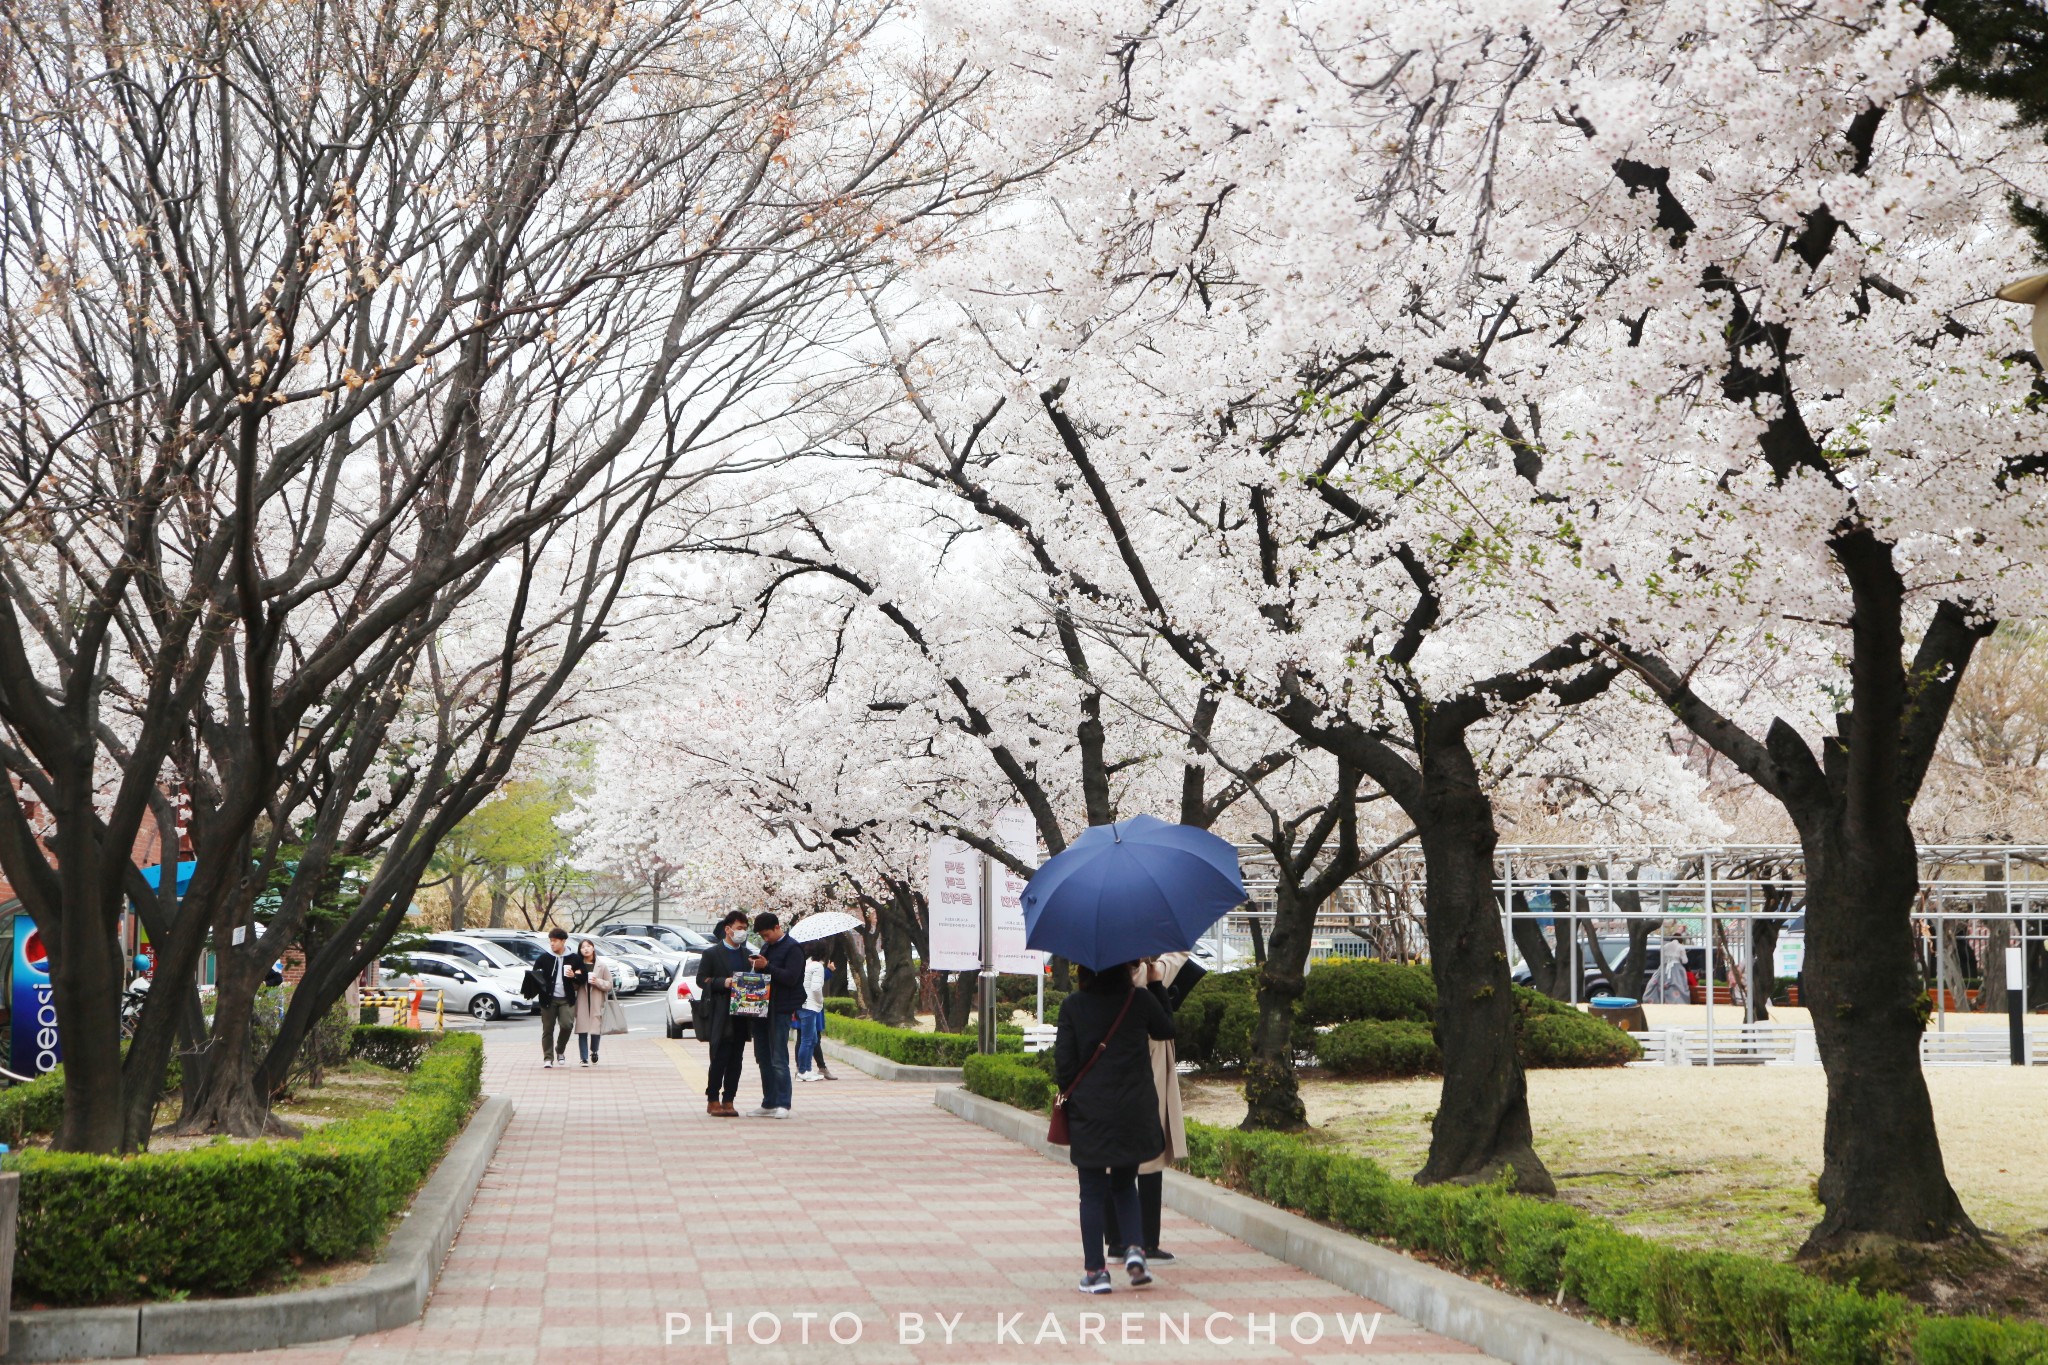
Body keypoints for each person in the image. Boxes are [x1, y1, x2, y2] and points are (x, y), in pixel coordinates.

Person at [1054, 958, 1176, 1294]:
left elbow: (1063, 1066)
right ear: (1126, 968)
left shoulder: (1073, 1006)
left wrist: (1075, 1095)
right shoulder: (1138, 1000)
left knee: (1092, 1192)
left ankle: (1096, 1272)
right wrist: (1153, 982)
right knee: (1125, 1185)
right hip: (1133, 1110)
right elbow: (1166, 1029)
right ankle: (1135, 1250)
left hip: (1091, 1113)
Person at [1102, 954, 1188, 1263]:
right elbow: (1166, 1025)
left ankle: (1114, 1240)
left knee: (1114, 1158)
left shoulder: (1099, 978)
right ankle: (1147, 1241)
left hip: (1111, 1080)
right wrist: (1156, 971)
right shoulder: (1144, 978)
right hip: (1146, 1068)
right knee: (1151, 1153)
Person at [747, 911, 804, 1117]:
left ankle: (783, 1103)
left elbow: (791, 977)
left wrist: (767, 966)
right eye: (762, 936)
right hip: (762, 1008)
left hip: (780, 1009)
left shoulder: (793, 948)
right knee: (762, 1057)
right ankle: (768, 1102)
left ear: (778, 927)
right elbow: (765, 974)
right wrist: (756, 965)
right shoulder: (767, 947)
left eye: (767, 934)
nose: (765, 938)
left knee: (778, 1057)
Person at [695, 911, 753, 1116]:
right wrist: (723, 982)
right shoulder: (712, 953)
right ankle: (712, 1099)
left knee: (736, 1060)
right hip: (720, 1013)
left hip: (741, 1013)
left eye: (745, 928)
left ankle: (729, 1099)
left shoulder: (748, 955)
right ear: (728, 929)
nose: (742, 932)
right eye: (739, 928)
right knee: (719, 1057)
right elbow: (701, 980)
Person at [568, 937, 615, 1067]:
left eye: (588, 946)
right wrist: (575, 978)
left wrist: (597, 982)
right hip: (582, 1001)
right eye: (583, 947)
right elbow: (574, 987)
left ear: (593, 948)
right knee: (582, 1030)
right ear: (580, 951)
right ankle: (584, 1058)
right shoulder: (578, 966)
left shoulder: (601, 966)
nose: (586, 949)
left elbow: (609, 984)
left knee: (595, 1030)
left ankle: (594, 1051)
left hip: (597, 1001)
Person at [533, 927, 575, 1068]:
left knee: (567, 1025)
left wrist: (574, 976)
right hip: (548, 999)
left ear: (563, 941)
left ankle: (560, 1049)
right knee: (548, 1029)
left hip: (566, 999)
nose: (552, 944)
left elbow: (582, 977)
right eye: (550, 941)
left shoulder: (573, 958)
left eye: (555, 941)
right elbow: (535, 976)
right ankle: (548, 1058)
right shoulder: (544, 958)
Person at [795, 942, 828, 1082]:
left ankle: (807, 1069)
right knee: (807, 1040)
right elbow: (815, 989)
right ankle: (803, 1071)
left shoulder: (805, 964)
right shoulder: (818, 966)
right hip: (810, 1006)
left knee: (812, 1039)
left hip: (801, 1004)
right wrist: (820, 1001)